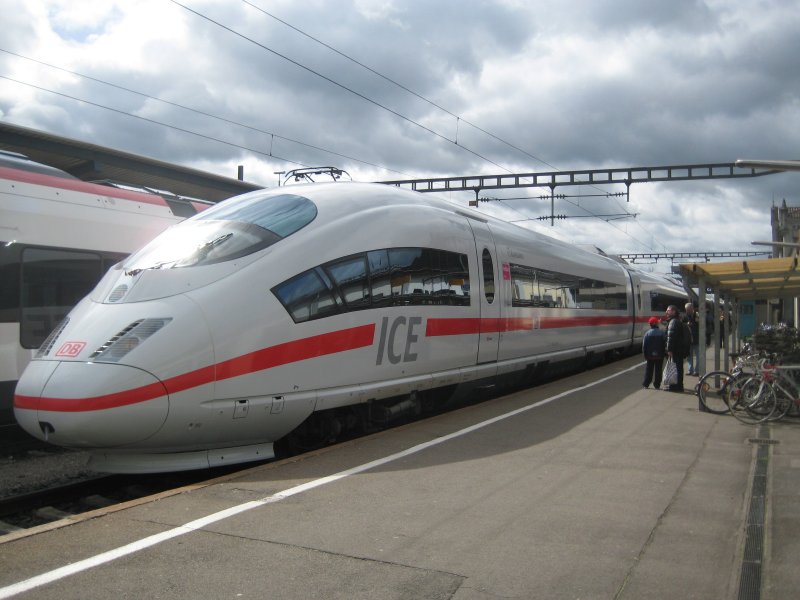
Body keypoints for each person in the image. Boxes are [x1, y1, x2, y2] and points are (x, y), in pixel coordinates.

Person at [664, 304, 686, 392]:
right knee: (679, 368)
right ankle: (679, 386)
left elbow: (670, 337)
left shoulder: (673, 322)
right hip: (679, 349)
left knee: (674, 368)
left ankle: (674, 387)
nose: (666, 312)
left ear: (673, 311)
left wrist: (669, 349)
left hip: (675, 350)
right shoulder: (677, 320)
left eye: (668, 311)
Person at [642, 316, 666, 388]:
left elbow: (644, 346)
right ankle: (657, 384)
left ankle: (646, 383)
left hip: (649, 356)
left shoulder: (647, 334)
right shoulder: (662, 333)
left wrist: (645, 355)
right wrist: (664, 353)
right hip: (660, 355)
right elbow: (665, 343)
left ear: (650, 324)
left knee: (649, 370)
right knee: (658, 370)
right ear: (656, 324)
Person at [684, 302, 700, 376]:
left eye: (689, 309)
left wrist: (692, 324)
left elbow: (700, 324)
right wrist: (686, 325)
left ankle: (697, 371)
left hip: (696, 338)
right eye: (686, 310)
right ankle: (690, 370)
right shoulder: (685, 316)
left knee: (698, 355)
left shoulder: (696, 315)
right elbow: (682, 325)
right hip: (688, 339)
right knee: (689, 356)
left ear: (692, 308)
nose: (687, 311)